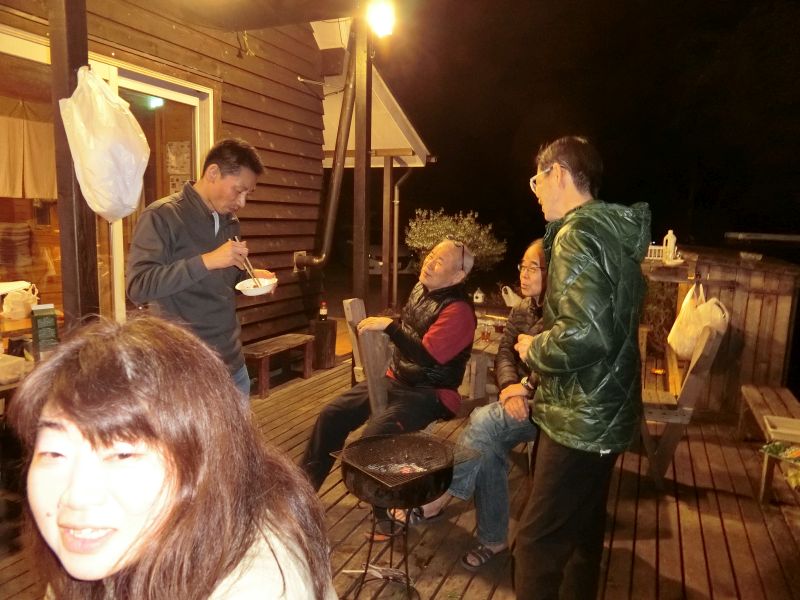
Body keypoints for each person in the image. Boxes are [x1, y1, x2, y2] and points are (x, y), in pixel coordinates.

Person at [7, 315, 335, 600]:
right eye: (54, 452)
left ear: (201, 463)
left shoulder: (259, 585)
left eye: (122, 454)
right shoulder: (112, 544)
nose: (76, 497)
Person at [513, 136, 650, 598]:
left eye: (536, 180)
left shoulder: (576, 234)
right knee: (583, 537)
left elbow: (586, 334)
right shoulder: (612, 233)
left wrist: (534, 347)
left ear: (557, 173)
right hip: (607, 410)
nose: (535, 191)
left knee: (536, 545)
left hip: (580, 417)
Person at [301, 238, 476, 535]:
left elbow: (426, 355)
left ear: (458, 275)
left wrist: (390, 328)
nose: (429, 263)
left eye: (440, 261)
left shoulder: (459, 310)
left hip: (431, 393)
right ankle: (301, 496)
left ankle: (383, 512)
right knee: (332, 414)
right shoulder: (421, 289)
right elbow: (410, 330)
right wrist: (390, 326)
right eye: (431, 255)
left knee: (374, 438)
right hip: (397, 379)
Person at [391, 240, 547, 571]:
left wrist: (524, 389)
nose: (524, 274)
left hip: (550, 406)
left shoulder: (563, 313)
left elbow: (558, 362)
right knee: (487, 444)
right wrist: (510, 387)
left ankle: (440, 498)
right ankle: (493, 539)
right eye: (522, 266)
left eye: (533, 268)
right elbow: (504, 352)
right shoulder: (523, 309)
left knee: (483, 421)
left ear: (554, 274)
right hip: (517, 400)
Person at [126, 138, 275, 399]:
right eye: (238, 190)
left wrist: (249, 277)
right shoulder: (162, 215)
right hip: (184, 369)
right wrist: (207, 260)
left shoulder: (230, 221)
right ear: (213, 173)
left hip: (232, 362)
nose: (242, 202)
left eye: (247, 194)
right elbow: (139, 286)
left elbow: (221, 276)